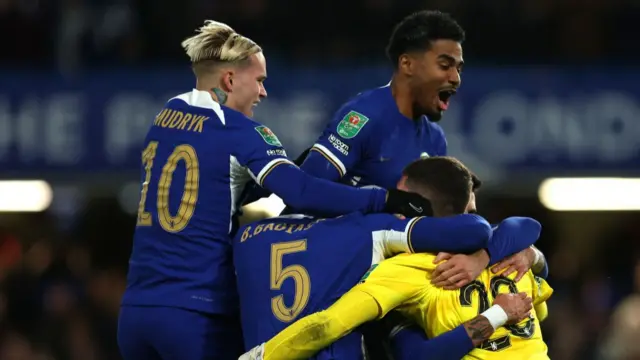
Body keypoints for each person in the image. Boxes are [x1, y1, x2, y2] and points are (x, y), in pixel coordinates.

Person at [117, 20, 432, 360]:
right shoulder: (242, 132)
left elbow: (215, 187)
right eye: (260, 80)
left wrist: (268, 177)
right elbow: (300, 193)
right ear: (229, 79)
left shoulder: (166, 116)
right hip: (194, 314)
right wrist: (383, 198)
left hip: (135, 314)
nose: (263, 93)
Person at [236, 157, 543, 359]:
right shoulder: (513, 255)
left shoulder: (250, 236)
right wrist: (523, 256)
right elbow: (522, 237)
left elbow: (328, 325)